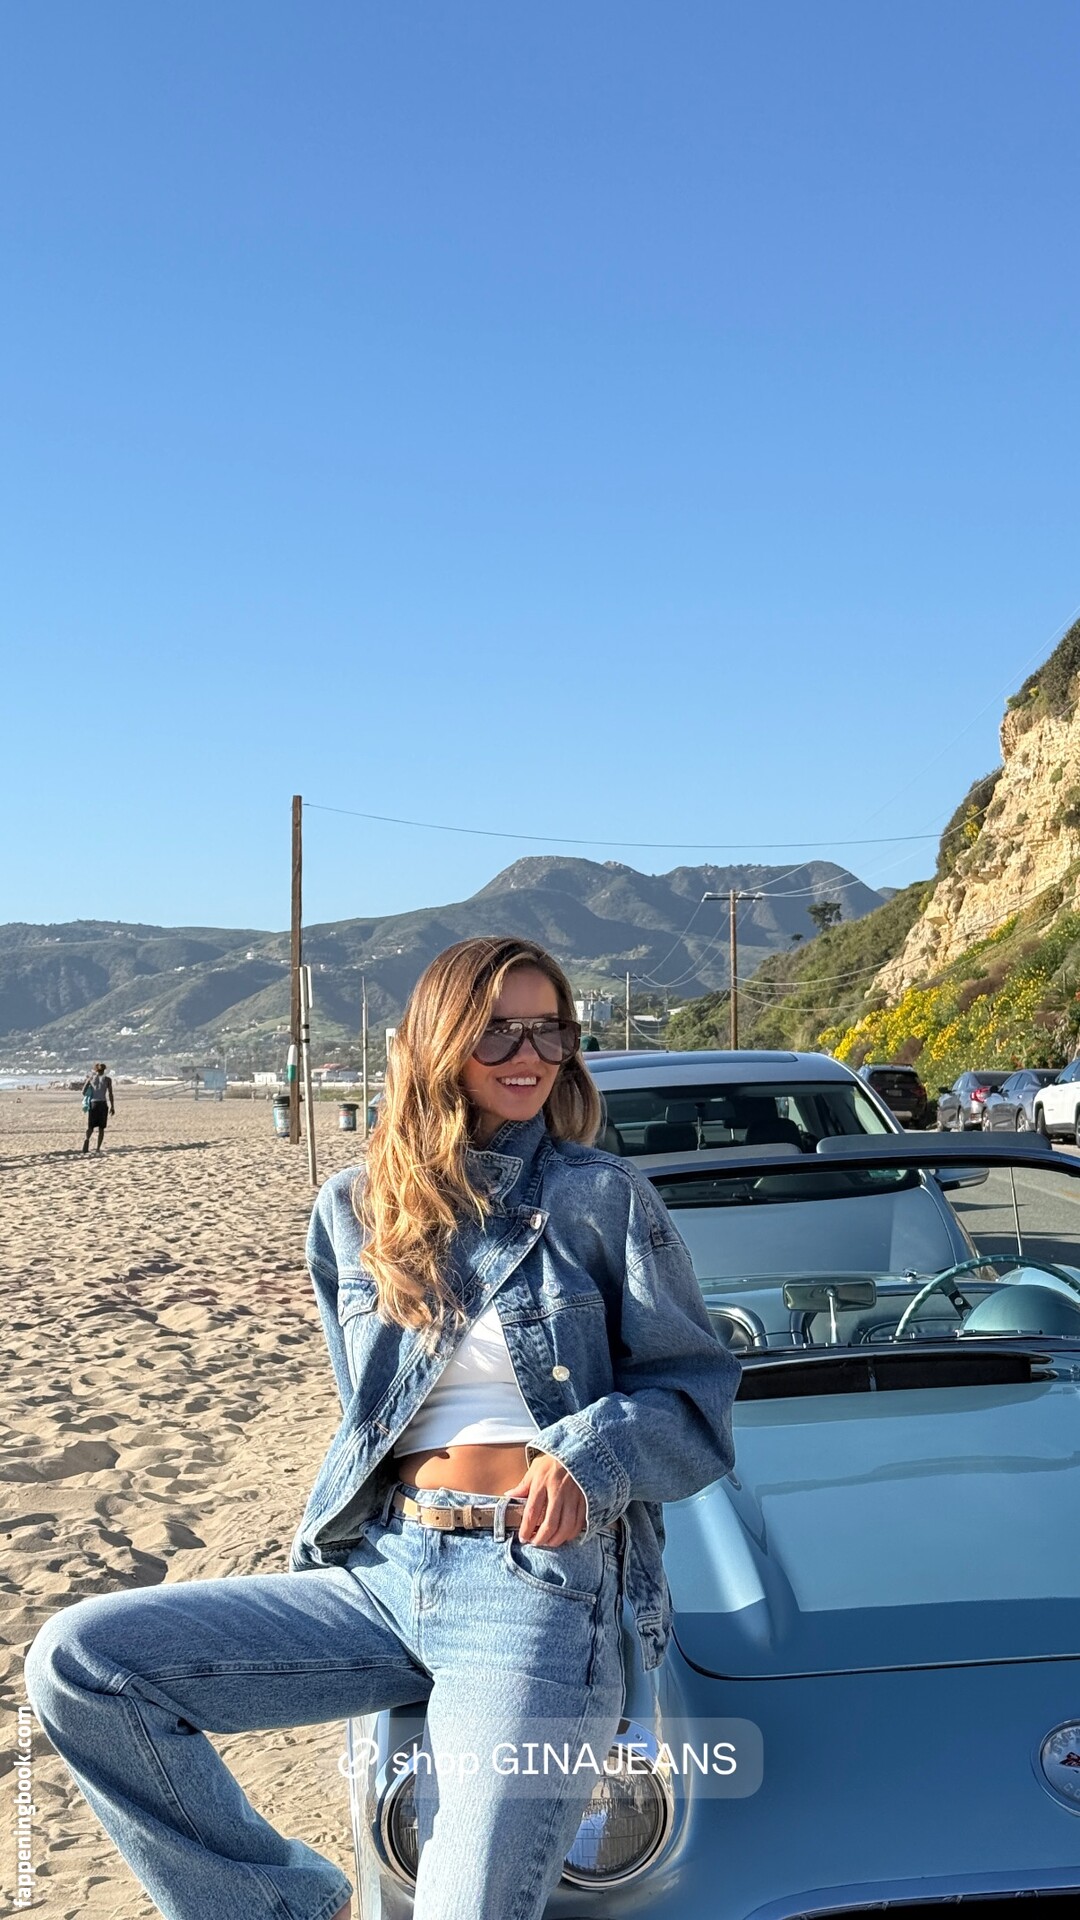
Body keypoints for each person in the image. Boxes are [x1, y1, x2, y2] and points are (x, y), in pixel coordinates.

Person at [25, 936, 740, 1920]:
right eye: (498, 1031)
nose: (529, 1054)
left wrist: (594, 1456)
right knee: (82, 1665)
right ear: (442, 1041)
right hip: (381, 1570)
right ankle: (290, 1906)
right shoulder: (352, 1211)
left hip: (532, 1586)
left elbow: (697, 1395)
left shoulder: (602, 1198)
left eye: (549, 1031)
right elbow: (369, 1412)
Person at [81, 1061, 115, 1154]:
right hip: (102, 1104)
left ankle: (87, 1139)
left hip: (93, 1104)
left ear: (96, 1069)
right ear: (104, 1070)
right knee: (101, 1128)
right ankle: (98, 1148)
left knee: (90, 1126)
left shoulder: (91, 1078)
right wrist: (112, 1106)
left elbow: (83, 1091)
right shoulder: (107, 1080)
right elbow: (110, 1094)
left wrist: (90, 1093)